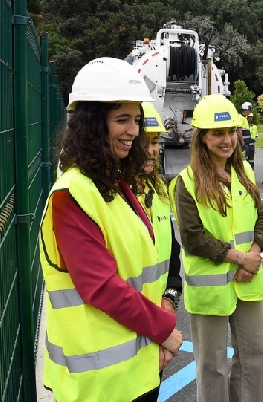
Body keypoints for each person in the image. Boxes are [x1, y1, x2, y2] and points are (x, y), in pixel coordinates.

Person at [39, 57, 183, 402]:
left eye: (136, 119)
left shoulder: (116, 183)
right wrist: (163, 329)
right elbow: (101, 286)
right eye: (122, 119)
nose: (134, 131)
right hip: (98, 384)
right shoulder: (72, 194)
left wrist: (165, 308)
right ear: (91, 123)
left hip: (137, 369)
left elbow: (145, 268)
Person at [169, 94, 263, 402]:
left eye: (231, 132)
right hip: (211, 291)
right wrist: (241, 258)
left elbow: (260, 219)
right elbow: (193, 237)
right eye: (217, 133)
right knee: (212, 367)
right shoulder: (186, 182)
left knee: (254, 358)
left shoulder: (245, 173)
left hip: (247, 284)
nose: (227, 140)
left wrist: (254, 251)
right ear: (202, 138)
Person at [139, 102, 183, 314]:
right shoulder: (113, 195)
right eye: (144, 143)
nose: (152, 150)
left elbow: (172, 247)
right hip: (133, 312)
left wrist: (171, 293)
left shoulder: (159, 189)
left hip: (161, 307)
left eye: (155, 142)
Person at [240, 101, 256, 169]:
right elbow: (239, 132)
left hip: (247, 144)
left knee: (248, 162)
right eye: (249, 109)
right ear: (245, 109)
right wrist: (243, 143)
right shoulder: (240, 118)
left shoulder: (244, 118)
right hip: (243, 144)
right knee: (244, 162)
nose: (250, 111)